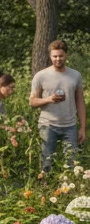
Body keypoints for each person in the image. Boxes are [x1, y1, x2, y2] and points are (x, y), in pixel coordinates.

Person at [30, 40, 86, 171]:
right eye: (54, 56)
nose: (58, 59)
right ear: (50, 56)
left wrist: (82, 127)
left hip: (70, 125)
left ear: (66, 55)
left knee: (72, 164)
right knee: (47, 163)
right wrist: (49, 99)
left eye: (61, 56)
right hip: (47, 125)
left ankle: (69, 184)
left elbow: (80, 101)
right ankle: (46, 183)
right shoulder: (40, 76)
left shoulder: (75, 75)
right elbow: (32, 102)